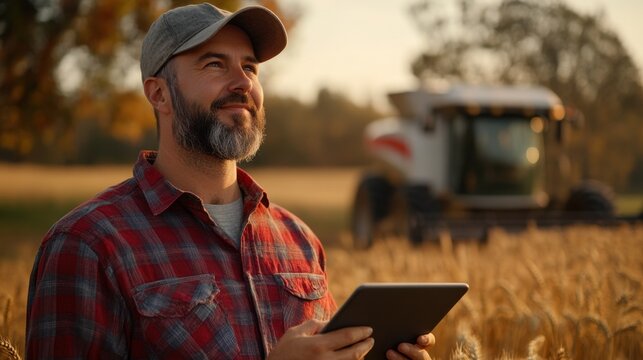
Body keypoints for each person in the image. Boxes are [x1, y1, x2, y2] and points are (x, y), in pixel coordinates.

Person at [25, 3, 436, 359]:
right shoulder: (88, 243)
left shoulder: (299, 240)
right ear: (159, 95)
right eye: (215, 64)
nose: (243, 82)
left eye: (250, 67)